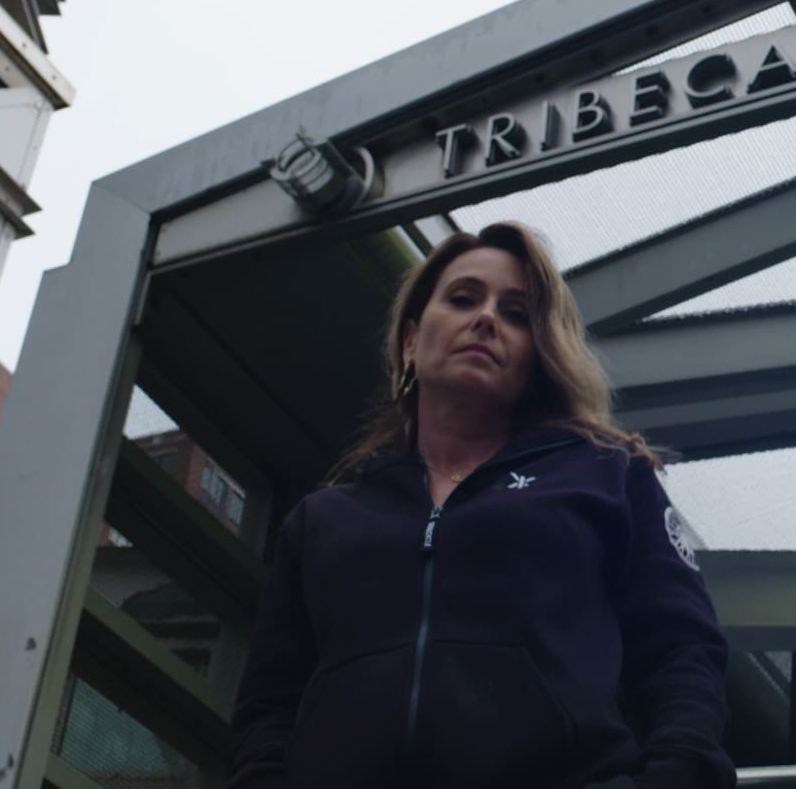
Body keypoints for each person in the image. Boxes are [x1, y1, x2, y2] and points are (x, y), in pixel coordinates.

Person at [227, 222, 735, 788]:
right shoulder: (322, 521)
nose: (487, 318)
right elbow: (267, 710)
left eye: (516, 313)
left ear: (536, 355)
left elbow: (681, 654)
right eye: (464, 298)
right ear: (411, 341)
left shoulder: (608, 478)